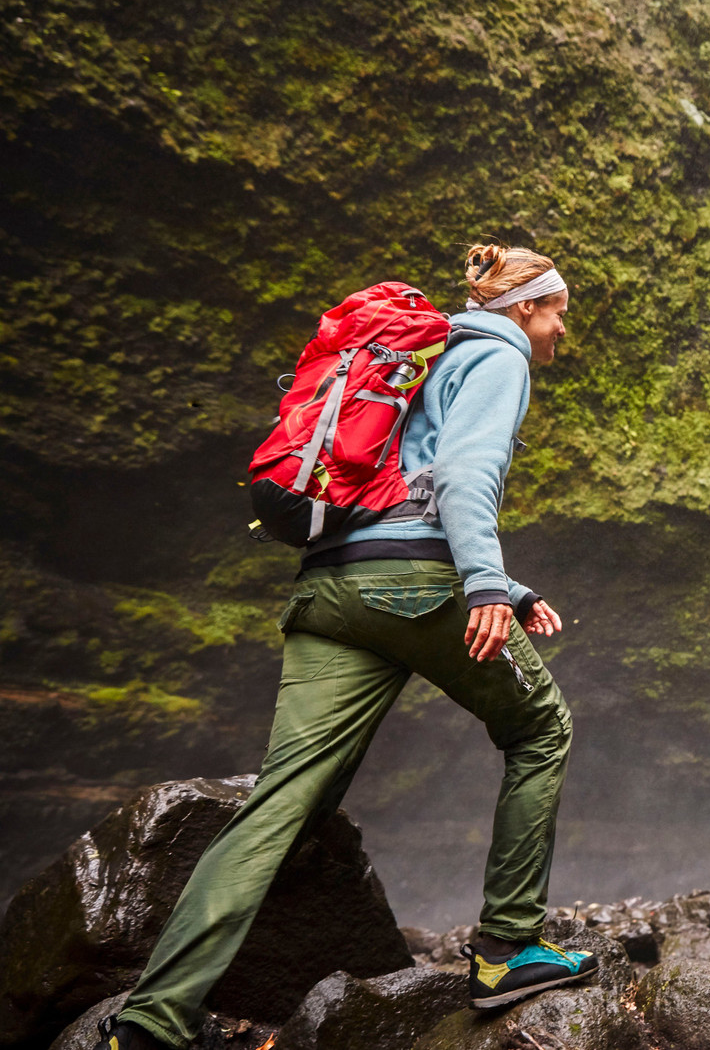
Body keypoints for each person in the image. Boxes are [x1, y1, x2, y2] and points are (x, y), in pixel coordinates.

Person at [99, 245, 596, 1050]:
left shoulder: (419, 355)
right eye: (557, 310)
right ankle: (507, 948)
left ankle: (152, 1023)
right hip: (416, 584)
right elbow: (464, 476)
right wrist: (481, 584)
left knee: (280, 803)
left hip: (332, 585)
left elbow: (401, 487)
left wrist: (509, 586)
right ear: (524, 309)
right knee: (541, 730)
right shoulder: (499, 358)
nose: (561, 328)